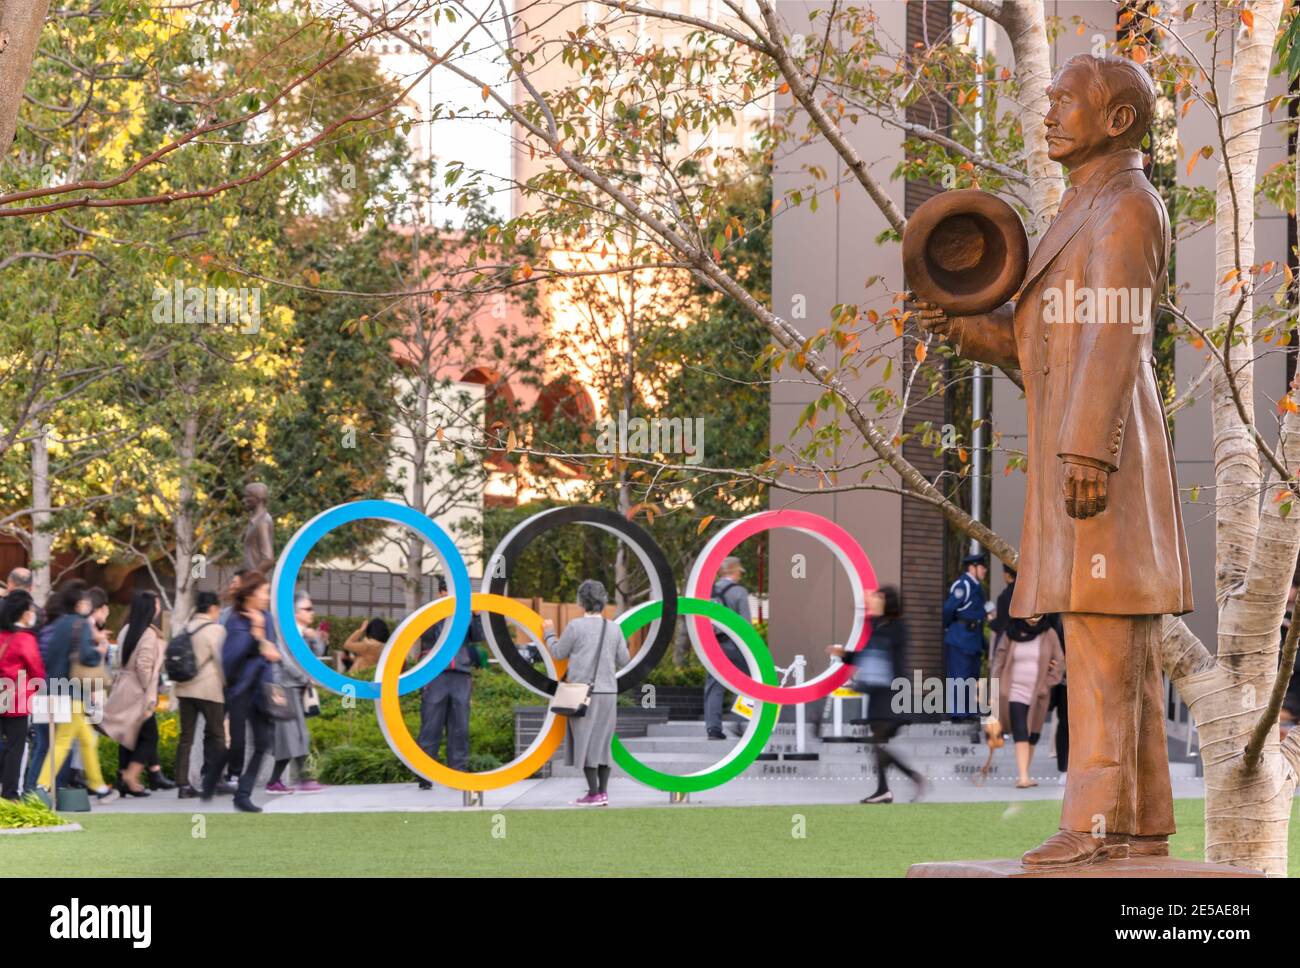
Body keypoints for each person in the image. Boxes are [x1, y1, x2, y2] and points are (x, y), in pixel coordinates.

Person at [828, 586, 924, 804]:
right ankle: (884, 789)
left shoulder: (897, 628)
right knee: (878, 744)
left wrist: (868, 609)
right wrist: (843, 654)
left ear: (888, 602)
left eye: (880, 597)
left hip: (892, 695)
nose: (875, 600)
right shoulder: (878, 626)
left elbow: (879, 651)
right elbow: (866, 656)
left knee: (876, 742)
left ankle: (910, 778)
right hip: (878, 694)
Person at [542, 579, 629, 806]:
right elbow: (625, 659)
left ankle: (593, 793)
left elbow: (559, 653)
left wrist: (549, 633)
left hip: (583, 693)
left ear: (582, 601)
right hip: (609, 692)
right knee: (602, 742)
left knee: (586, 740)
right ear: (604, 600)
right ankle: (603, 792)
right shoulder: (614, 628)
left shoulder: (575, 627)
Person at [35, 581, 118, 802]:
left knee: (87, 740)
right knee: (63, 741)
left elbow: (48, 656)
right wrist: (99, 649)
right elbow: (85, 656)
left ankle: (99, 787)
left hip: (53, 687)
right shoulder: (80, 624)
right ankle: (41, 786)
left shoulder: (60, 623)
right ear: (80, 603)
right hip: (72, 692)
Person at [218, 571, 282, 812]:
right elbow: (231, 658)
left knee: (264, 743)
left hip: (262, 689)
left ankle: (242, 794)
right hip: (240, 690)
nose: (267, 597)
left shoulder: (267, 618)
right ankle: (222, 777)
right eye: (264, 592)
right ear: (252, 593)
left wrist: (265, 646)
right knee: (238, 742)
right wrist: (256, 639)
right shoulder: (235, 619)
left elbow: (272, 654)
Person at [415, 577, 485, 788]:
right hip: (436, 675)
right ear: (441, 593)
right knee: (431, 725)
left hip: (461, 675)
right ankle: (425, 774)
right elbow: (427, 635)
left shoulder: (466, 614)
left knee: (460, 726)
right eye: (448, 592)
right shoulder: (431, 612)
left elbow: (478, 637)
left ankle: (458, 772)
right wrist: (444, 612)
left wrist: (476, 616)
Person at [101, 591, 166, 796]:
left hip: (123, 687)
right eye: (156, 604)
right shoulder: (148, 633)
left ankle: (123, 779)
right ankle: (131, 775)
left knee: (127, 734)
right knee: (150, 737)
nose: (159, 608)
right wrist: (150, 689)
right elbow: (144, 665)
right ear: (149, 608)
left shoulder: (126, 629)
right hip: (139, 690)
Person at [990, 615, 1065, 788]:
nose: (1033, 617)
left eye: (1037, 613)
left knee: (1033, 735)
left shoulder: (1049, 633)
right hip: (1012, 691)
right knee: (1020, 730)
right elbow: (999, 661)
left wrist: (1048, 683)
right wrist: (994, 689)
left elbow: (1060, 662)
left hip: (1038, 694)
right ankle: (1023, 777)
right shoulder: (1011, 631)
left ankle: (1025, 773)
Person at [174, 591, 232, 799]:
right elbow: (220, 661)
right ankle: (216, 779)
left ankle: (182, 785)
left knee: (186, 737)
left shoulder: (186, 627)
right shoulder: (216, 630)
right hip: (209, 689)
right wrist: (228, 684)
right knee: (216, 734)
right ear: (213, 608)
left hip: (184, 689)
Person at [266, 592, 325, 794]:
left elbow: (315, 657)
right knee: (293, 734)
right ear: (294, 612)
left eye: (312, 608)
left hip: (296, 688)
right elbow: (284, 661)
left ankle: (278, 781)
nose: (312, 613)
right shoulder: (283, 632)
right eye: (307, 609)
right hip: (282, 688)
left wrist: (315, 638)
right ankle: (303, 778)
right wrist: (305, 678)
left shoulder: (303, 634)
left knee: (295, 734)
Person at [0, 591, 46, 800]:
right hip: (16, 700)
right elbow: (37, 671)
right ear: (24, 613)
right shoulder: (24, 639)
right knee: (15, 748)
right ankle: (10, 795)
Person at [702, 556, 751, 740]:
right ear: (734, 571)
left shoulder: (707, 591)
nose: (740, 575)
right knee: (751, 681)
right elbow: (745, 626)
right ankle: (740, 721)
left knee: (714, 685)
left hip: (713, 644)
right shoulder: (739, 592)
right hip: (735, 645)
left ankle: (713, 729)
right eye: (740, 572)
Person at [942, 551, 988, 721]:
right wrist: (949, 628)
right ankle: (957, 712)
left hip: (973, 639)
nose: (984, 571)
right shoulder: (964, 585)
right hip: (960, 637)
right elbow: (948, 610)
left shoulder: (977, 587)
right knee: (959, 675)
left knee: (971, 676)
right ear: (973, 567)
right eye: (983, 567)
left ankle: (968, 711)